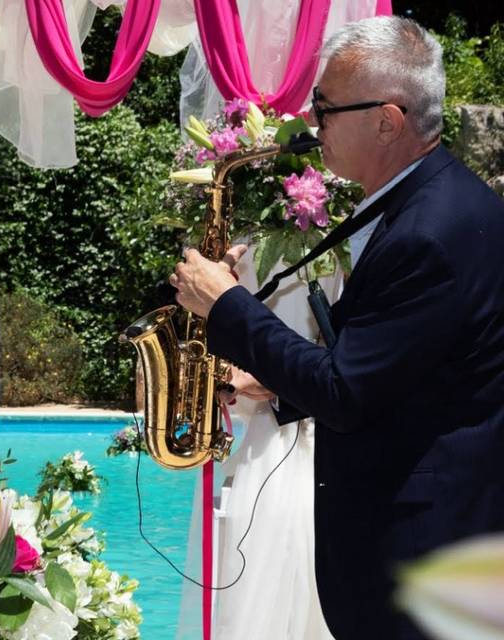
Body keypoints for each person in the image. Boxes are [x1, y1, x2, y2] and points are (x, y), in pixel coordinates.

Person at [170, 16, 504, 640]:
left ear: (387, 119)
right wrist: (273, 386)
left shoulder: (430, 231)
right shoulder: (430, 202)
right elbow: (398, 373)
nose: (311, 123)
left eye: (323, 108)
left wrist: (227, 306)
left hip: (421, 557)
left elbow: (348, 393)